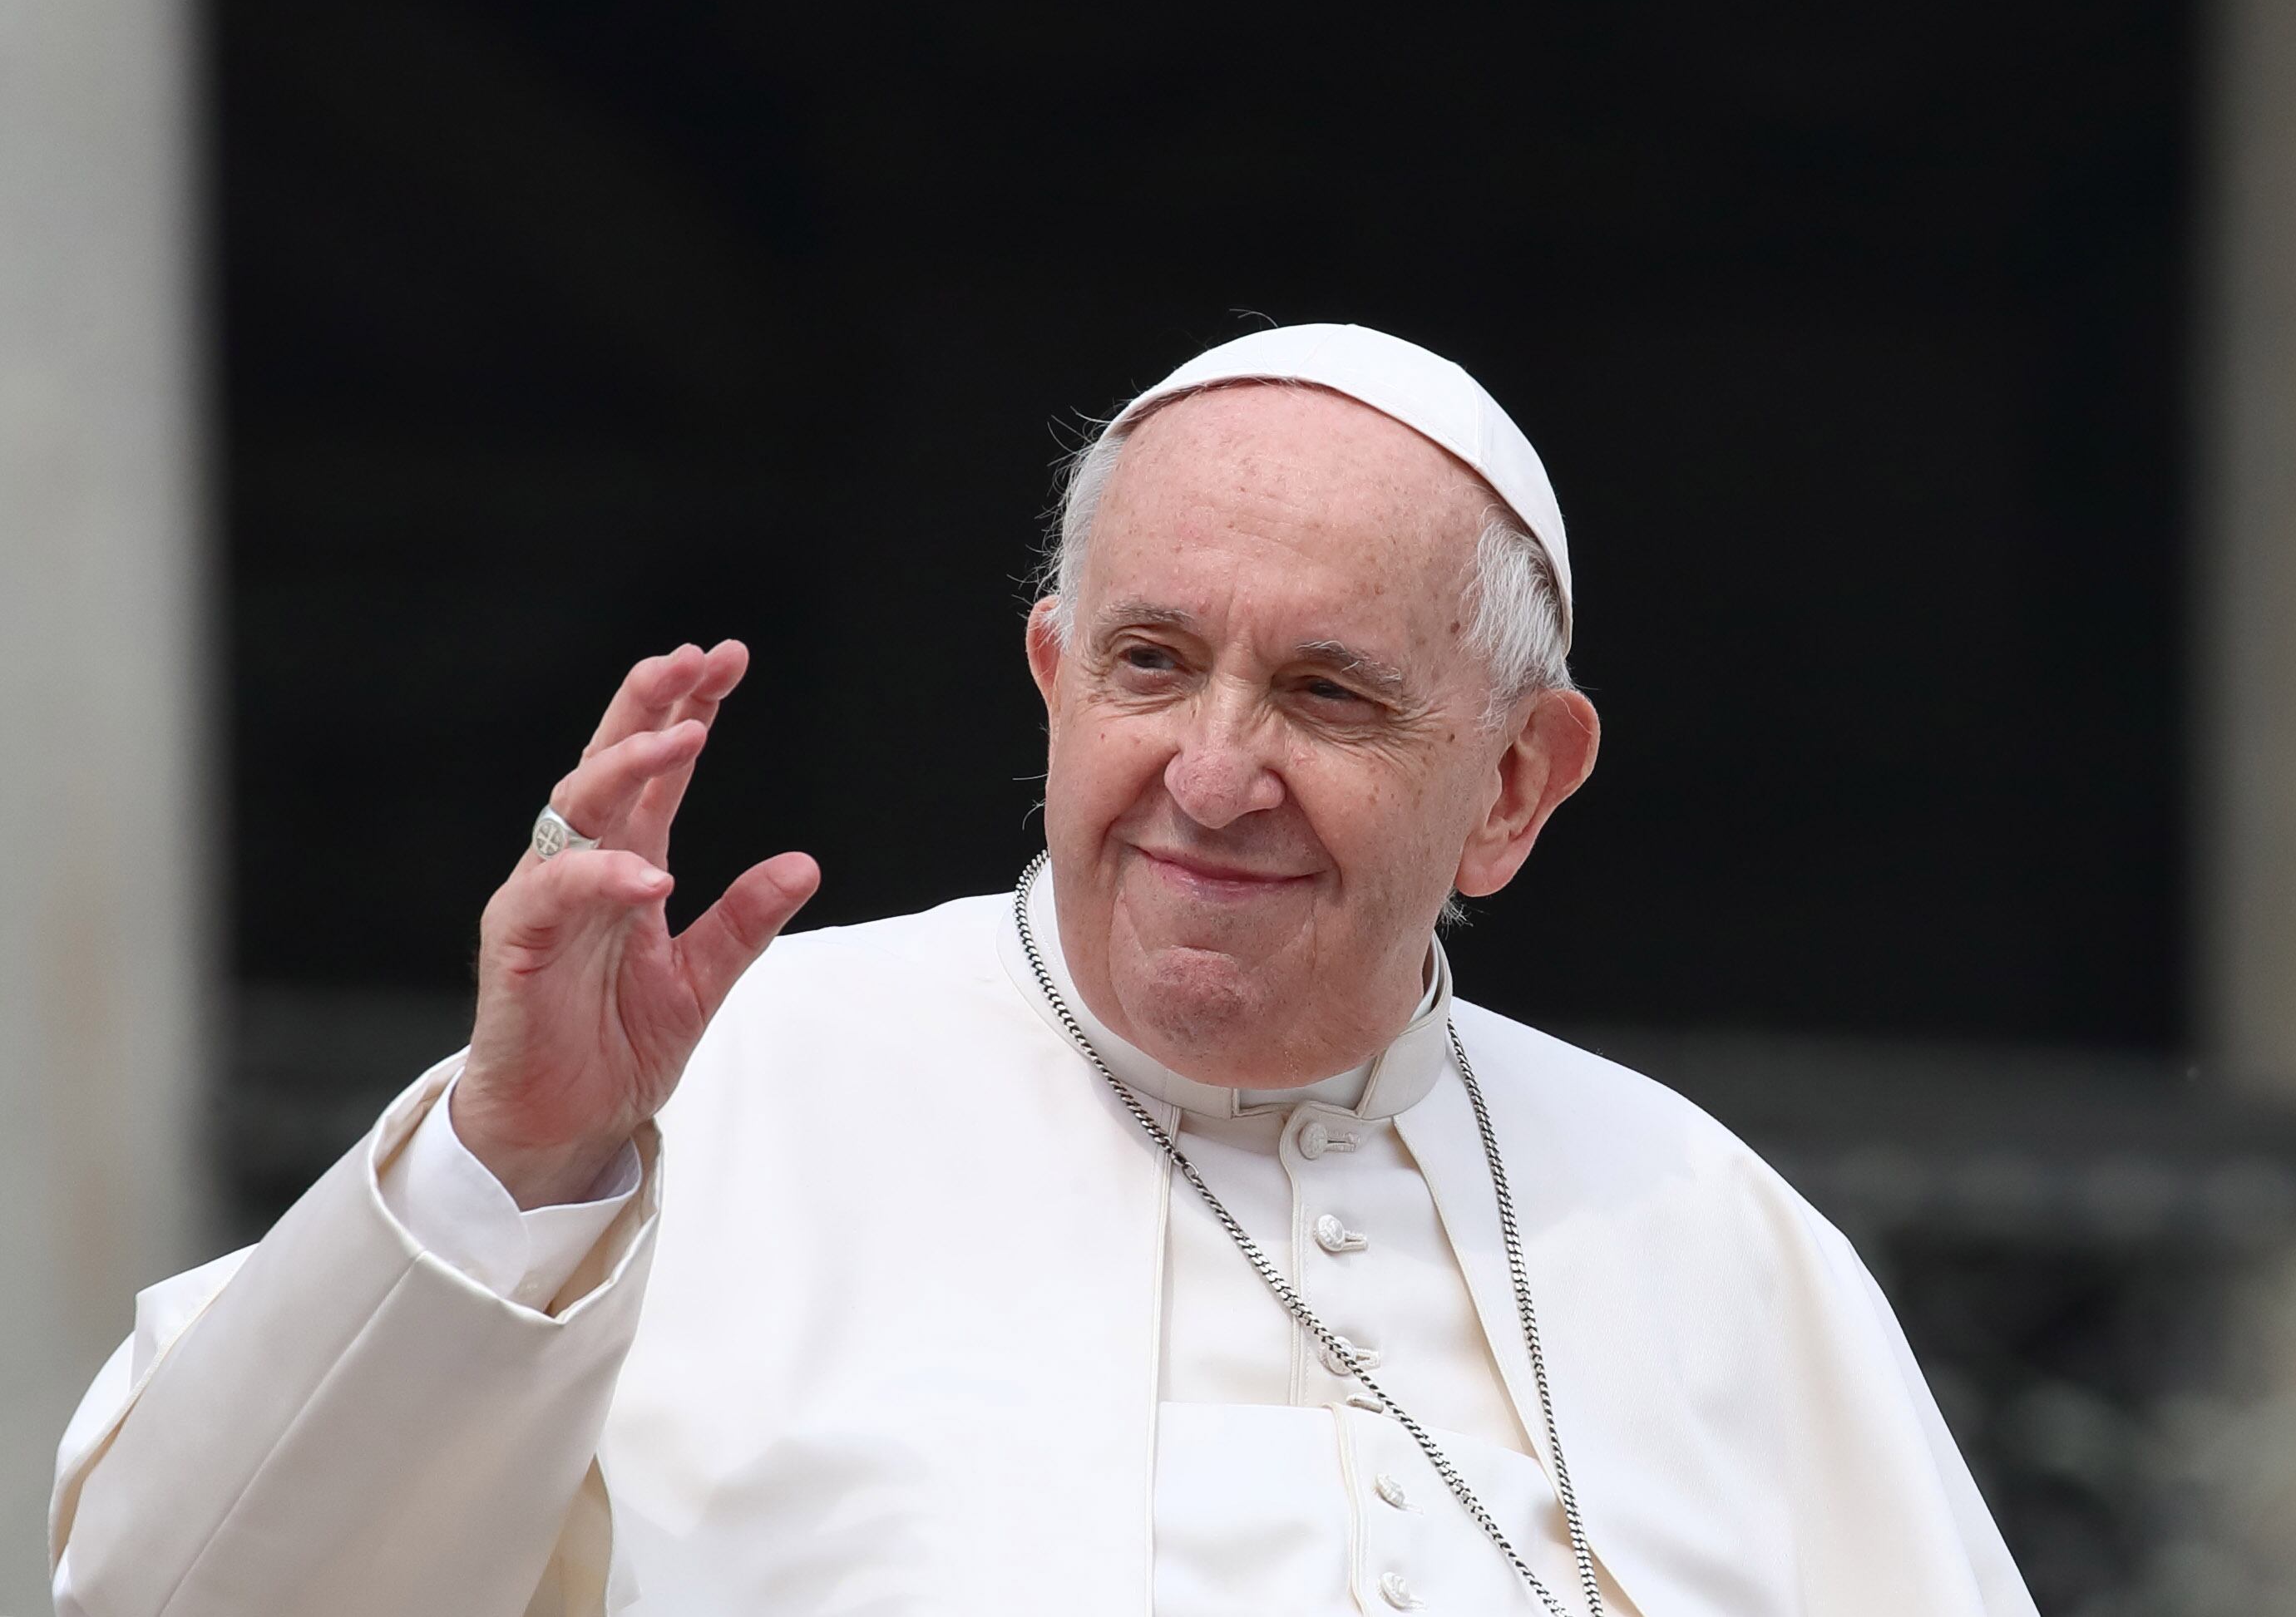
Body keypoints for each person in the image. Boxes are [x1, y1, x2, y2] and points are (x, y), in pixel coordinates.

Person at [50, 323, 2037, 1617]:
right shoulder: (716, 1105)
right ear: (1052, 679)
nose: (1216, 770)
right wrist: (510, 1165)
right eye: (1152, 665)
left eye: (1329, 692)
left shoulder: (1700, 1229)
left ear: (1514, 783)